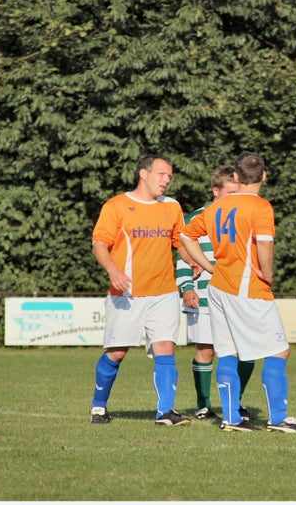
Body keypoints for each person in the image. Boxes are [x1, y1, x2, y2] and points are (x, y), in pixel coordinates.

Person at [181, 151, 296, 433]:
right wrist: (268, 273)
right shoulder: (260, 206)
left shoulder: (216, 207)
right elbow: (265, 243)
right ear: (264, 175)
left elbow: (185, 236)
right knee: (279, 350)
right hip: (248, 287)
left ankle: (231, 418)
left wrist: (209, 267)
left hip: (219, 287)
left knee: (228, 352)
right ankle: (278, 419)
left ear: (236, 176)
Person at [89, 154, 191, 426]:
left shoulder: (172, 206)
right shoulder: (117, 206)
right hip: (127, 294)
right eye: (161, 174)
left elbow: (180, 242)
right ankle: (99, 406)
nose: (166, 180)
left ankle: (165, 411)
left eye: (169, 176)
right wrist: (113, 271)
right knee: (117, 352)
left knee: (165, 347)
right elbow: (99, 244)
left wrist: (196, 262)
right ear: (143, 174)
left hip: (164, 292)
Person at [175, 166, 256, 422]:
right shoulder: (197, 217)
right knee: (206, 351)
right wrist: (187, 288)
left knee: (245, 352)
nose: (235, 197)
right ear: (215, 190)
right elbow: (183, 256)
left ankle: (236, 401)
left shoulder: (245, 215)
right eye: (230, 192)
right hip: (205, 294)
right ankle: (203, 404)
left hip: (239, 294)